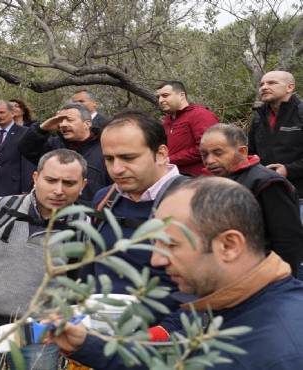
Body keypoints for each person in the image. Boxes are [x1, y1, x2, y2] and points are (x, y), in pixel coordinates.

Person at [46, 177, 303, 370]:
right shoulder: (233, 307)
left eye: (171, 245)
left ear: (229, 246)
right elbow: (176, 357)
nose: (156, 260)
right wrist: (86, 345)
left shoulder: (273, 353)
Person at [0, 149, 89, 370]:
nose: (58, 190)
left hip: (42, 334)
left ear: (83, 185)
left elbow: (80, 283)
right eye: (51, 180)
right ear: (35, 178)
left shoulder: (84, 225)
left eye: (69, 183)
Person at [80, 109, 185, 321]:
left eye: (129, 158)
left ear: (161, 154)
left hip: (167, 342)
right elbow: (90, 266)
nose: (117, 169)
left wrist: (158, 336)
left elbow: (210, 291)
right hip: (103, 334)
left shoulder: (195, 200)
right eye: (109, 159)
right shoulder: (105, 199)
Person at [200, 123, 303, 275]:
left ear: (242, 151)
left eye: (218, 153)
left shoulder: (267, 183)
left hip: (263, 276)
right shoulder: (207, 183)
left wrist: (282, 279)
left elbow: (287, 240)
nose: (209, 160)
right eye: (204, 154)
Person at [19, 102, 111, 206]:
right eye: (60, 121)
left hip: (89, 216)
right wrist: (42, 129)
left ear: (87, 124)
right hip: (53, 214)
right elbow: (26, 149)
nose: (63, 124)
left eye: (70, 120)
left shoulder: (105, 149)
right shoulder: (54, 145)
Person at [248, 71, 303, 218]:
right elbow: (251, 153)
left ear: (289, 87)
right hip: (267, 193)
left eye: (271, 83)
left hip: (299, 196)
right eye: (261, 84)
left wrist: (288, 170)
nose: (264, 87)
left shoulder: (300, 114)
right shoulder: (258, 117)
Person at [156, 80, 219, 177]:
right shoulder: (167, 122)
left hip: (200, 180)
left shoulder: (200, 115)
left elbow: (208, 147)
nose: (160, 100)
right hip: (175, 180)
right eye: (158, 97)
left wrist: (170, 159)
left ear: (181, 95)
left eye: (165, 95)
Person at [0, 100, 35, 199]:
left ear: (12, 113)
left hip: (17, 189)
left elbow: (28, 164)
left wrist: (26, 188)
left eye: (2, 112)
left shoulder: (25, 133)